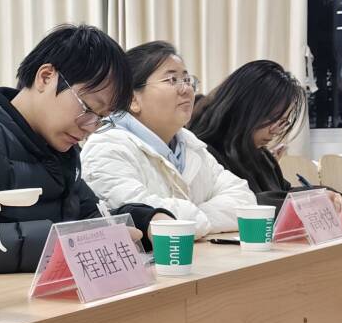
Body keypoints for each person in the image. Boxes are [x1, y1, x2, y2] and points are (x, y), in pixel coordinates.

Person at [0, 24, 173, 280]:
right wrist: (68, 243)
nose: (90, 127)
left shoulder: (60, 152)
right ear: (46, 77)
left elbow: (93, 220)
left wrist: (145, 221)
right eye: (88, 109)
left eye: (101, 119)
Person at [81, 41, 255, 238]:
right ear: (132, 99)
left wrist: (194, 219)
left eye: (187, 80)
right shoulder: (106, 148)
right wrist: (201, 217)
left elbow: (244, 201)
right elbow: (143, 217)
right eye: (172, 80)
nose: (186, 89)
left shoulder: (189, 144)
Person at [189, 60, 342, 210]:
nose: (275, 130)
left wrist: (327, 194)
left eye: (283, 122)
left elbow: (282, 192)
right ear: (244, 106)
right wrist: (309, 200)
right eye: (272, 118)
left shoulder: (262, 157)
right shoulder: (204, 154)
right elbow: (244, 204)